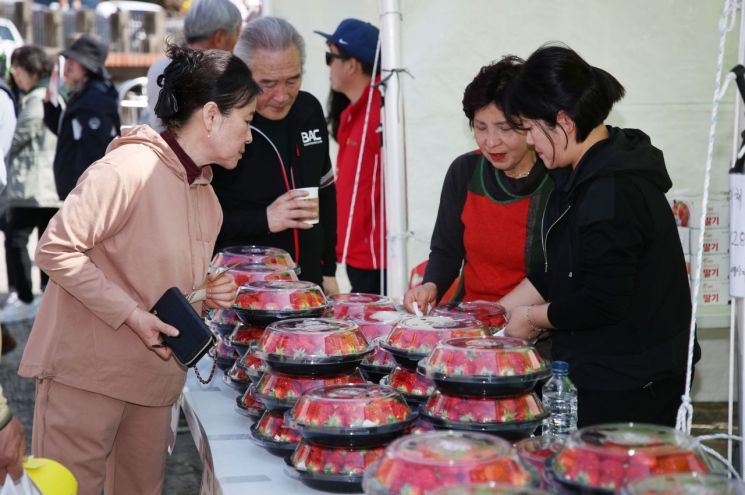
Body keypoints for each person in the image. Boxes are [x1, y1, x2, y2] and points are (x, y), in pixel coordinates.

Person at [19, 44, 260, 493]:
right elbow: (55, 249)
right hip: (86, 379)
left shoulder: (206, 196)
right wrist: (130, 314)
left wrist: (206, 289)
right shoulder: (128, 168)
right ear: (211, 115)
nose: (249, 136)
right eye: (246, 121)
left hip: (153, 388)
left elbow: (151, 272)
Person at [498, 44, 695, 427]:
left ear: (564, 123)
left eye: (530, 129)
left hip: (633, 385)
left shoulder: (613, 190)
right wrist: (494, 317)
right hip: (599, 370)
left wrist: (531, 318)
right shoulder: (578, 174)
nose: (530, 143)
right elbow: (560, 270)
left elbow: (602, 300)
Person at [403, 57, 553, 314]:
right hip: (470, 318)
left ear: (530, 124)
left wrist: (503, 317)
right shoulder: (465, 171)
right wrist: (431, 285)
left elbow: (556, 272)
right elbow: (446, 251)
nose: (491, 142)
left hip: (532, 322)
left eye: (504, 129)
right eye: (480, 127)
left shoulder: (555, 177)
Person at [212, 16, 339, 294]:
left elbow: (326, 193)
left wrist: (328, 269)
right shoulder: (220, 123)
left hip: (308, 286)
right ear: (243, 75)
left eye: (293, 79)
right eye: (267, 84)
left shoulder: (309, 110)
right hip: (244, 292)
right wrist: (265, 219)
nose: (282, 95)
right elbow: (199, 223)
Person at [315, 19, 386, 294]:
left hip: (374, 255)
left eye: (329, 57)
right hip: (359, 252)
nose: (328, 66)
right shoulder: (357, 111)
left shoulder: (381, 109)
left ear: (352, 64)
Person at [3, 46, 60, 323]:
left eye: (18, 68)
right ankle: (44, 298)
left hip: (34, 187)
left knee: (16, 240)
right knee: (46, 243)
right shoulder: (50, 93)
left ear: (33, 70)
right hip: (48, 187)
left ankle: (27, 298)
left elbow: (19, 136)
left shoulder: (36, 99)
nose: (14, 74)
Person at [43, 34, 120, 201]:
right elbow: (68, 135)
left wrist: (81, 191)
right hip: (77, 191)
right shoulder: (83, 94)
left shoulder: (95, 98)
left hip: (86, 194)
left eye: (74, 60)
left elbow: (94, 149)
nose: (68, 64)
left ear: (87, 66)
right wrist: (50, 107)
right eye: (68, 59)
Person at [146, 0, 242, 132]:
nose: (238, 41)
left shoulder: (160, 68)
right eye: (237, 33)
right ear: (219, 38)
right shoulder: (219, 76)